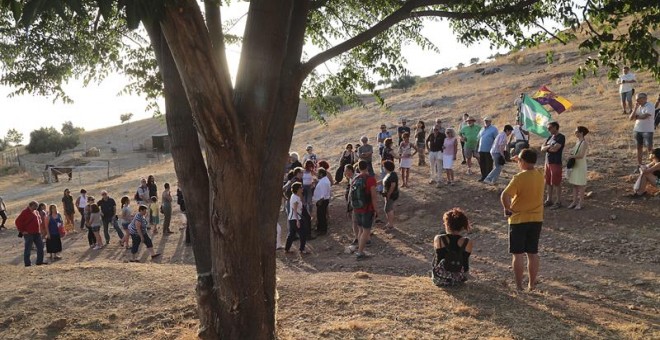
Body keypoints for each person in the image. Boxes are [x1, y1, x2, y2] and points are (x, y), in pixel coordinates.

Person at [500, 149, 544, 291]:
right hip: (536, 218)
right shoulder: (539, 175)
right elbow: (527, 165)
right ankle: (531, 284)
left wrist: (507, 209)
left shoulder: (519, 178)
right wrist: (519, 158)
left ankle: (519, 286)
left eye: (519, 160)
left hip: (519, 219)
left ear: (523, 162)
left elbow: (505, 195)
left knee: (517, 254)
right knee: (532, 253)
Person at [431, 208, 473, 287]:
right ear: (462, 226)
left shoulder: (439, 238)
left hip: (440, 279)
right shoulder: (467, 242)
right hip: (459, 280)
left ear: (447, 224)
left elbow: (437, 258)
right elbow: (465, 262)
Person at [352, 160, 378, 260]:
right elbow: (374, 197)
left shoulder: (355, 178)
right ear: (367, 167)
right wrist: (376, 210)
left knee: (360, 230)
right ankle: (360, 253)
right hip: (367, 208)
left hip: (357, 208)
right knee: (366, 231)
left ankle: (360, 249)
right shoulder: (370, 179)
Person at [540, 122, 565, 210]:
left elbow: (555, 149)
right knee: (548, 182)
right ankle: (549, 199)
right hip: (548, 162)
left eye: (550, 128)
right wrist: (549, 146)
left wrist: (547, 147)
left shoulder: (561, 137)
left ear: (555, 127)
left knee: (556, 182)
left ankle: (558, 201)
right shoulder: (550, 137)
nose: (548, 130)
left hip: (555, 162)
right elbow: (542, 148)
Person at [16, 201, 47, 266]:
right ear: (31, 205)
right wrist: (22, 231)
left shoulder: (36, 212)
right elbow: (17, 221)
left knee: (40, 247)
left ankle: (39, 261)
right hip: (28, 234)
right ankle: (27, 263)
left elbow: (39, 220)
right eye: (35, 206)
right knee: (28, 248)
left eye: (37, 206)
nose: (36, 207)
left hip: (37, 233)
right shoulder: (25, 212)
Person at [629, 92, 655, 168]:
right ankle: (639, 165)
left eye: (638, 99)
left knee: (649, 148)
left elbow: (645, 116)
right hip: (637, 130)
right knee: (638, 147)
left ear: (644, 98)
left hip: (647, 130)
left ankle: (653, 165)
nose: (637, 101)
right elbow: (630, 118)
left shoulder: (650, 105)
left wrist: (636, 117)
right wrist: (635, 109)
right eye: (636, 99)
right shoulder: (638, 107)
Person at [284, 182, 311, 254]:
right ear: (297, 189)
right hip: (295, 218)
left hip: (292, 219)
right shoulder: (295, 197)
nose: (302, 188)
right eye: (301, 187)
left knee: (291, 234)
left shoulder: (295, 196)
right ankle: (302, 249)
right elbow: (295, 210)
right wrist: (297, 220)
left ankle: (287, 249)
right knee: (303, 234)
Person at [567, 126, 590, 209]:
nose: (575, 133)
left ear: (581, 133)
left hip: (580, 165)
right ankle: (574, 202)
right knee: (574, 184)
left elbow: (581, 155)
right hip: (576, 165)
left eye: (576, 132)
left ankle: (580, 203)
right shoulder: (578, 142)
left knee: (580, 185)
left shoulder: (584, 143)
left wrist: (571, 156)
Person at [477, 117, 498, 182]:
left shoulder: (494, 129)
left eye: (487, 121)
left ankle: (489, 178)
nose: (486, 122)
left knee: (489, 164)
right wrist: (476, 148)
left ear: (490, 121)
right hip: (481, 149)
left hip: (489, 150)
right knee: (482, 164)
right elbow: (478, 139)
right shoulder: (482, 129)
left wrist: (495, 149)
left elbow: (496, 140)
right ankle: (483, 177)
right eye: (485, 121)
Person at [343, 164, 360, 245]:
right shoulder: (351, 178)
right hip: (353, 203)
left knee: (356, 221)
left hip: (358, 203)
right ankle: (358, 237)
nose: (345, 172)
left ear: (350, 170)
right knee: (355, 221)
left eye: (346, 170)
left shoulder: (357, 178)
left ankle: (360, 237)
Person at [382, 160, 399, 229]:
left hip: (391, 195)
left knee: (388, 209)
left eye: (384, 167)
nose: (383, 168)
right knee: (388, 209)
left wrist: (388, 194)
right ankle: (389, 223)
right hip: (387, 194)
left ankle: (391, 225)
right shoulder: (389, 174)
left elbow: (393, 185)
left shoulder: (393, 175)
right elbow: (384, 181)